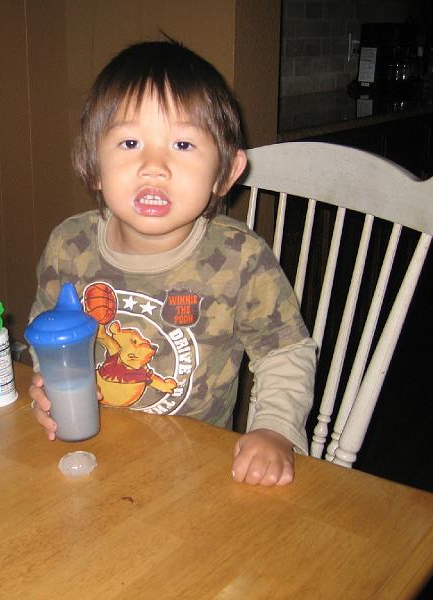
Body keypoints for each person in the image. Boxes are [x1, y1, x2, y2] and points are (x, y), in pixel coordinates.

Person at [27, 38, 316, 486]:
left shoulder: (240, 259)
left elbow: (285, 354)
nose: (154, 166)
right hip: (93, 451)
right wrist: (45, 394)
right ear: (92, 166)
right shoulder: (69, 246)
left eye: (182, 144)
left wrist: (274, 429)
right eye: (129, 142)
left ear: (226, 173)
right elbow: (48, 342)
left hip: (195, 468)